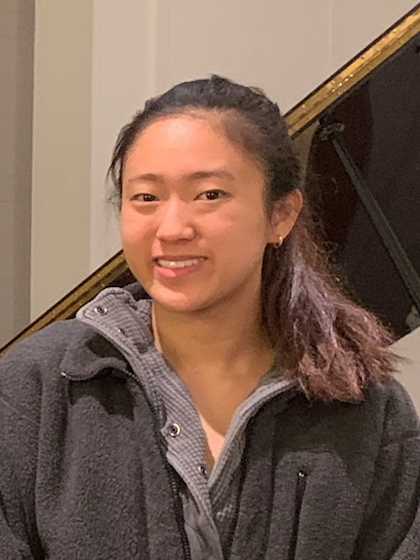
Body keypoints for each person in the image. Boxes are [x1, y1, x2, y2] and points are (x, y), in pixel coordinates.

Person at [0, 75, 419, 560]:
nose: (172, 228)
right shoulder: (37, 387)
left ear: (281, 215)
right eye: (146, 197)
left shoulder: (367, 409)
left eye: (209, 195)